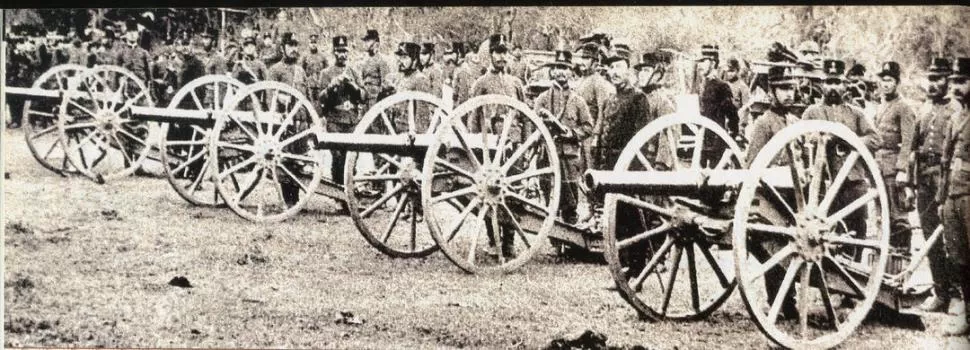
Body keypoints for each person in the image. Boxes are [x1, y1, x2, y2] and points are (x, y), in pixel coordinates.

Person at [802, 59, 881, 262]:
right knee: (827, 232)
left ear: (845, 85)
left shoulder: (856, 113)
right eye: (829, 82)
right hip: (824, 183)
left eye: (837, 82)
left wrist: (848, 140)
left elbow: (874, 139)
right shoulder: (812, 112)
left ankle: (854, 273)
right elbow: (803, 138)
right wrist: (820, 138)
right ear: (822, 85)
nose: (833, 87)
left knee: (857, 230)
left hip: (853, 181)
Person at [903, 57, 964, 314]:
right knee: (930, 237)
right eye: (930, 79)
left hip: (947, 179)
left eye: (938, 79)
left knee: (953, 240)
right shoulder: (923, 111)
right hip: (924, 181)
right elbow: (912, 151)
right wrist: (909, 183)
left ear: (948, 82)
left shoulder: (957, 113)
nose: (933, 84)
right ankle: (940, 292)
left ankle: (957, 295)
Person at [745, 64, 803, 319]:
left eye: (791, 88)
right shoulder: (764, 123)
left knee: (790, 245)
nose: (789, 94)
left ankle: (787, 300)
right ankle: (780, 301)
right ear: (772, 91)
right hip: (772, 193)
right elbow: (752, 162)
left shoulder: (793, 121)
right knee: (774, 246)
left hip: (793, 194)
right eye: (783, 89)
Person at [533, 50, 593, 224]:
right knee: (549, 198)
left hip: (569, 158)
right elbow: (534, 125)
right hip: (547, 157)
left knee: (570, 201)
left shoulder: (578, 101)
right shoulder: (542, 99)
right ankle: (554, 240)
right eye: (558, 67)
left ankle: (569, 242)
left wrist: (572, 133)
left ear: (571, 72)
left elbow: (588, 127)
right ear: (552, 71)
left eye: (565, 68)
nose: (561, 72)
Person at [937, 56, 970, 336]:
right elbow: (945, 161)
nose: (956, 87)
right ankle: (968, 317)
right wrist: (941, 199)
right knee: (959, 259)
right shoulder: (954, 117)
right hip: (953, 196)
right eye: (955, 82)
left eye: (963, 82)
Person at [871, 61, 917, 247]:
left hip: (893, 168)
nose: (886, 84)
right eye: (883, 80)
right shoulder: (881, 106)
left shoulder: (904, 107)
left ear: (897, 83)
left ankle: (901, 259)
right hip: (879, 166)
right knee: (882, 213)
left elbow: (908, 142)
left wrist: (902, 170)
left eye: (889, 80)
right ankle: (886, 258)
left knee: (898, 216)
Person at [317, 35, 365, 208]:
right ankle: (338, 196)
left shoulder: (354, 72)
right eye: (339, 51)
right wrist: (331, 87)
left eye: (344, 51)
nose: (342, 55)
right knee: (337, 157)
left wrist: (353, 87)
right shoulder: (326, 73)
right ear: (333, 52)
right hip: (335, 120)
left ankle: (350, 195)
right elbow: (320, 98)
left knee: (352, 157)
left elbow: (364, 96)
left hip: (351, 120)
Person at [266, 37, 310, 206]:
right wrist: (277, 112)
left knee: (299, 160)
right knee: (285, 161)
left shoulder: (300, 71)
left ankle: (296, 198)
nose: (293, 49)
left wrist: (311, 119)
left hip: (301, 121)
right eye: (290, 45)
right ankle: (287, 199)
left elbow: (307, 97)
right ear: (282, 48)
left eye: (295, 45)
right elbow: (269, 95)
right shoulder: (275, 70)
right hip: (284, 123)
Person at [573, 42, 615, 173]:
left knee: (590, 170)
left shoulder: (598, 82)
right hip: (579, 131)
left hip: (590, 135)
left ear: (595, 62)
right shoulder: (582, 81)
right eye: (582, 58)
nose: (582, 62)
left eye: (586, 59)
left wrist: (596, 136)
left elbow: (603, 110)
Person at [695, 44, 740, 166]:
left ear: (713, 63)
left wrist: (730, 136)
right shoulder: (701, 85)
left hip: (716, 141)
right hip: (701, 140)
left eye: (704, 61)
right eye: (700, 62)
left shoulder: (721, 86)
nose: (700, 66)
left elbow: (732, 116)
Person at [358, 29, 391, 111]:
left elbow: (386, 84)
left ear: (376, 43)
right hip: (366, 100)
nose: (365, 44)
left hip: (376, 101)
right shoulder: (366, 61)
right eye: (365, 41)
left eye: (368, 41)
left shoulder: (382, 60)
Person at [301, 34, 329, 101]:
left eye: (315, 42)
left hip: (320, 85)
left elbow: (327, 70)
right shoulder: (305, 56)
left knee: (320, 103)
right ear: (309, 43)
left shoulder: (322, 56)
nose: (313, 44)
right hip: (309, 86)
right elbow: (302, 70)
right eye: (311, 43)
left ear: (317, 44)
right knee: (310, 103)